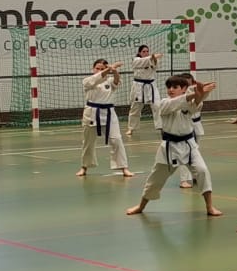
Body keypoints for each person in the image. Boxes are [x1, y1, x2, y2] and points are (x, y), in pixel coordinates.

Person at [126, 76, 219, 217]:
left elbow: (197, 103)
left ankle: (210, 207)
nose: (171, 90)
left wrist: (202, 92)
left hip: (189, 146)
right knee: (155, 179)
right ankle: (141, 206)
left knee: (202, 171)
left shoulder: (188, 103)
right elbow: (179, 102)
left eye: (175, 87)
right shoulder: (163, 103)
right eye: (169, 87)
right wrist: (195, 92)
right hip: (169, 148)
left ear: (184, 89)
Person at [76, 59, 132, 178]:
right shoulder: (88, 81)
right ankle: (84, 167)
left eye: (102, 68)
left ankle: (124, 167)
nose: (99, 70)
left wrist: (114, 70)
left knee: (116, 140)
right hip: (91, 113)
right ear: (93, 69)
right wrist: (108, 69)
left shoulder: (109, 81)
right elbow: (97, 78)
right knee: (88, 142)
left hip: (109, 113)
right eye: (97, 68)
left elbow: (116, 80)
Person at [126, 44, 160, 136]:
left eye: (147, 51)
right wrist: (152, 57)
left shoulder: (151, 59)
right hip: (139, 86)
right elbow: (142, 62)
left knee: (157, 106)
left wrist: (154, 59)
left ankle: (160, 126)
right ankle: (131, 128)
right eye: (143, 51)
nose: (146, 53)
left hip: (151, 86)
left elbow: (155, 66)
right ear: (139, 53)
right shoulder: (136, 60)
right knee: (135, 108)